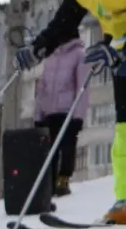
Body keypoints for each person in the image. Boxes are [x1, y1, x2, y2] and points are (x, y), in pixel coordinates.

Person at [16, 0, 124, 222]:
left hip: (120, 50)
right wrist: (38, 47)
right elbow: (63, 24)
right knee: (125, 130)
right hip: (119, 54)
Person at [33, 33, 91, 198]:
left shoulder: (79, 54)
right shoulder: (51, 55)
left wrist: (78, 116)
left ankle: (63, 179)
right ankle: (47, 184)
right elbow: (42, 87)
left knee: (66, 146)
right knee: (48, 150)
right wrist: (38, 114)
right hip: (49, 111)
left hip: (67, 111)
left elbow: (83, 87)